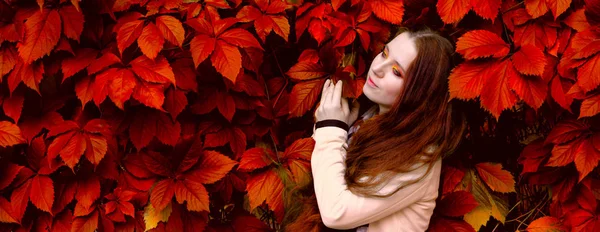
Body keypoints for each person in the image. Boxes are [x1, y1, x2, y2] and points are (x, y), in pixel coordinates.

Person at [310, 28, 467, 231]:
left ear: (419, 94)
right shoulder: (371, 119)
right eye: (384, 53)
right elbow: (327, 186)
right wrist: (343, 129)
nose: (377, 68)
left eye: (396, 71)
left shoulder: (418, 157)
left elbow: (336, 212)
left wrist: (330, 130)